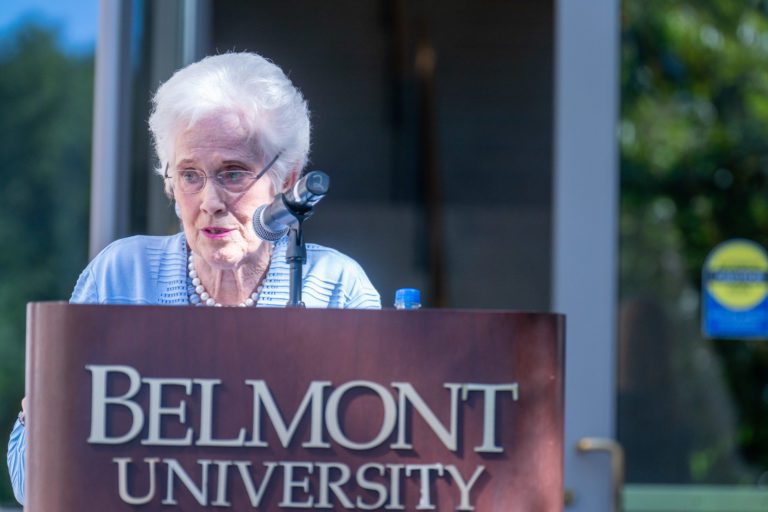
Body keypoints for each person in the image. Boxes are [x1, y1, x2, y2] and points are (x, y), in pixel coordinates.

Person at [6, 52, 381, 504]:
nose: (211, 200)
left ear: (289, 179)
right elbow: (36, 488)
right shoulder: (121, 277)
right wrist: (43, 418)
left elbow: (375, 480)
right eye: (190, 175)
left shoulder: (337, 286)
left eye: (234, 173)